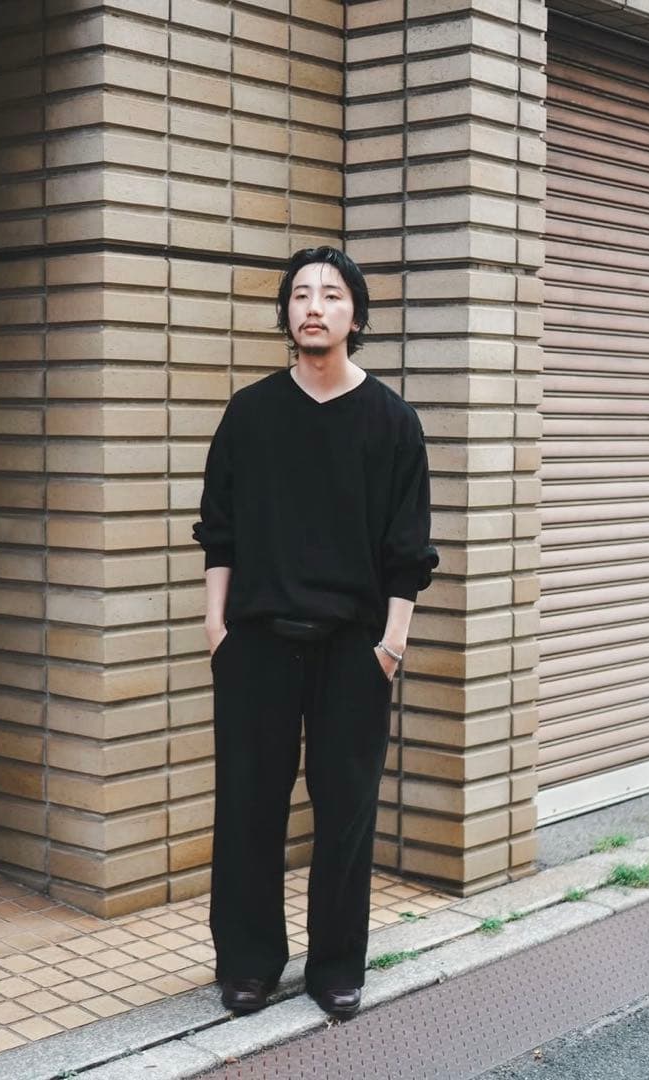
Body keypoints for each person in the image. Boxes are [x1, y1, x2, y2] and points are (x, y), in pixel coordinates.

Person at [193, 246, 438, 1019]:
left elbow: (408, 552)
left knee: (345, 816)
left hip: (353, 648)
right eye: (300, 294)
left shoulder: (392, 422)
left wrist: (390, 646)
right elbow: (219, 529)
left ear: (354, 315)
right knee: (247, 810)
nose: (313, 306)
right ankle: (248, 964)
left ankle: (335, 966)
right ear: (285, 314)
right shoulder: (250, 414)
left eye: (331, 294)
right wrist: (216, 625)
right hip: (256, 643)